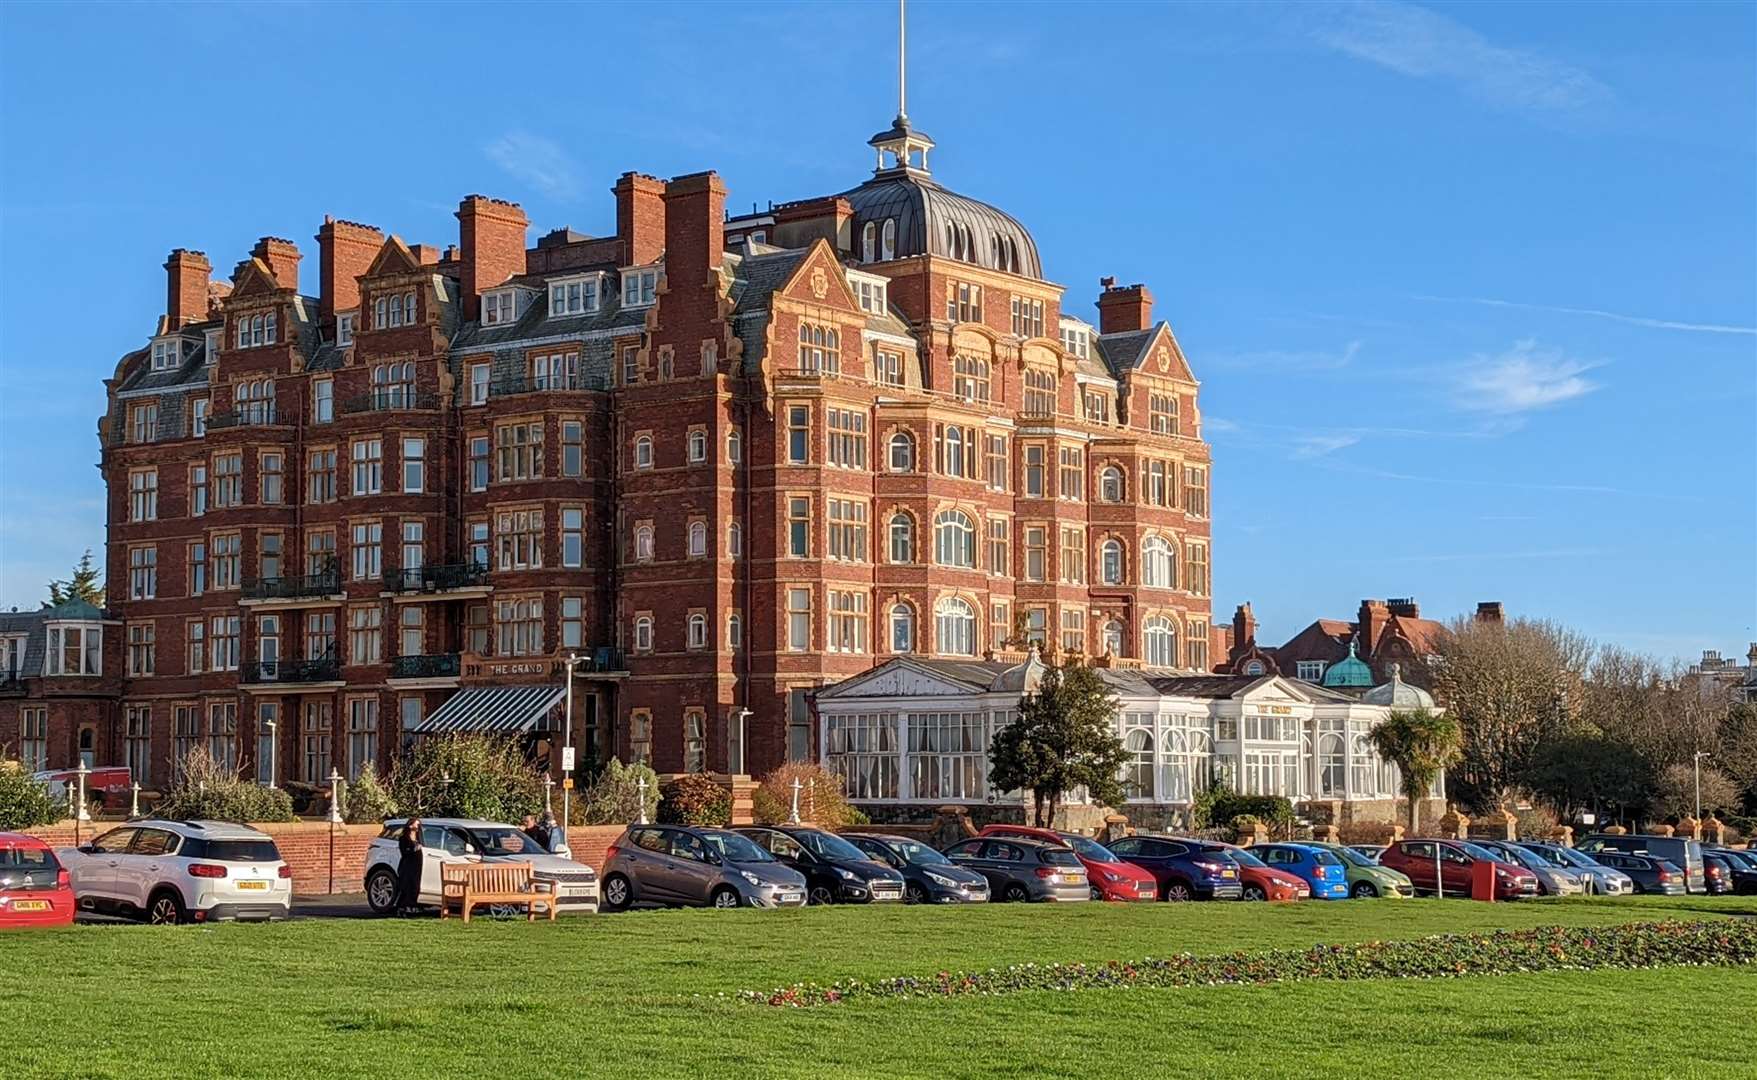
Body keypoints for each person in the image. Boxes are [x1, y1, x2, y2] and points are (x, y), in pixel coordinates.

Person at [396, 818, 424, 916]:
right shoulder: (404, 838)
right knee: (406, 887)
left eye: (418, 825)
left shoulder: (419, 838)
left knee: (415, 887)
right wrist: (414, 848)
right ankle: (402, 908)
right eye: (416, 825)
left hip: (417, 866)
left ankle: (412, 907)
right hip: (407, 866)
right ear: (410, 825)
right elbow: (404, 852)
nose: (417, 827)